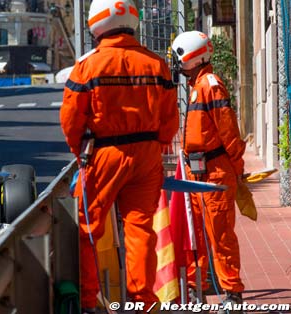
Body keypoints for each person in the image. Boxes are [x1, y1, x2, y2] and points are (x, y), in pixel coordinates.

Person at [59, 0, 179, 313]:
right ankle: (143, 301)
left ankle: (88, 301)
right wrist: (159, 143)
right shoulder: (156, 63)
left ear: (96, 24)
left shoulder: (89, 64)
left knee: (87, 228)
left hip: (104, 153)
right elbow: (170, 118)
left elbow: (71, 119)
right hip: (148, 154)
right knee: (140, 229)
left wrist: (79, 153)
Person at [171, 30, 246, 311]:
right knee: (197, 236)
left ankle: (232, 293)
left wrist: (236, 169)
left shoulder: (210, 85)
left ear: (193, 57)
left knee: (221, 235)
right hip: (198, 173)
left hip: (215, 173)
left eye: (180, 58)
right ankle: (197, 287)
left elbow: (228, 130)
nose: (177, 64)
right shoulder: (197, 84)